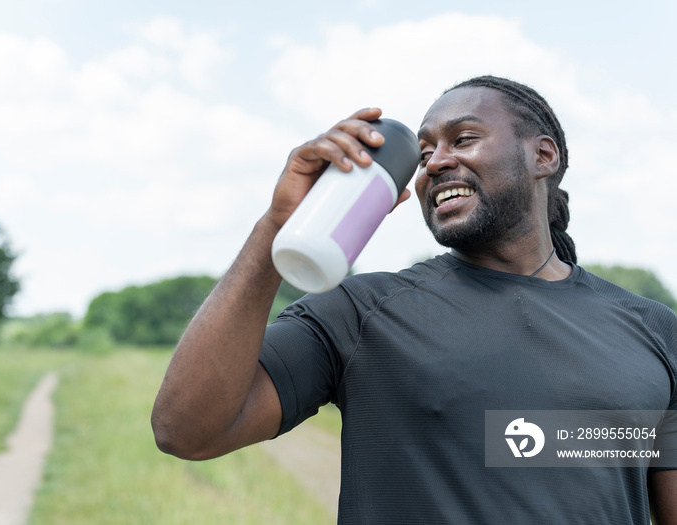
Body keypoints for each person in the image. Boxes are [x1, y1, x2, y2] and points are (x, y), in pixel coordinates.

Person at [151, 76, 677, 524]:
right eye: (424, 155)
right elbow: (188, 430)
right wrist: (277, 230)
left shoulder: (654, 331)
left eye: (463, 139)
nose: (435, 164)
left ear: (543, 155)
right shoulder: (360, 313)